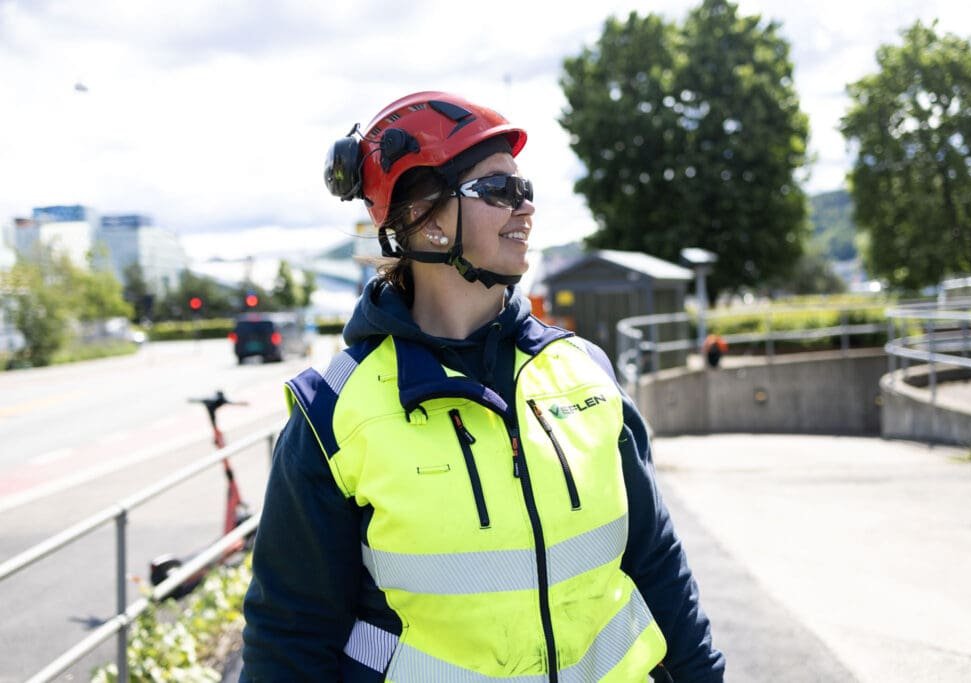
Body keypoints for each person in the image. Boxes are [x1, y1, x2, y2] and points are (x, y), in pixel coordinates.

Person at [241, 91, 725, 682]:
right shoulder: (334, 414)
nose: (525, 209)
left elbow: (657, 568)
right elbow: (288, 638)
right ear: (425, 216)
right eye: (498, 190)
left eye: (526, 190)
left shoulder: (585, 371)